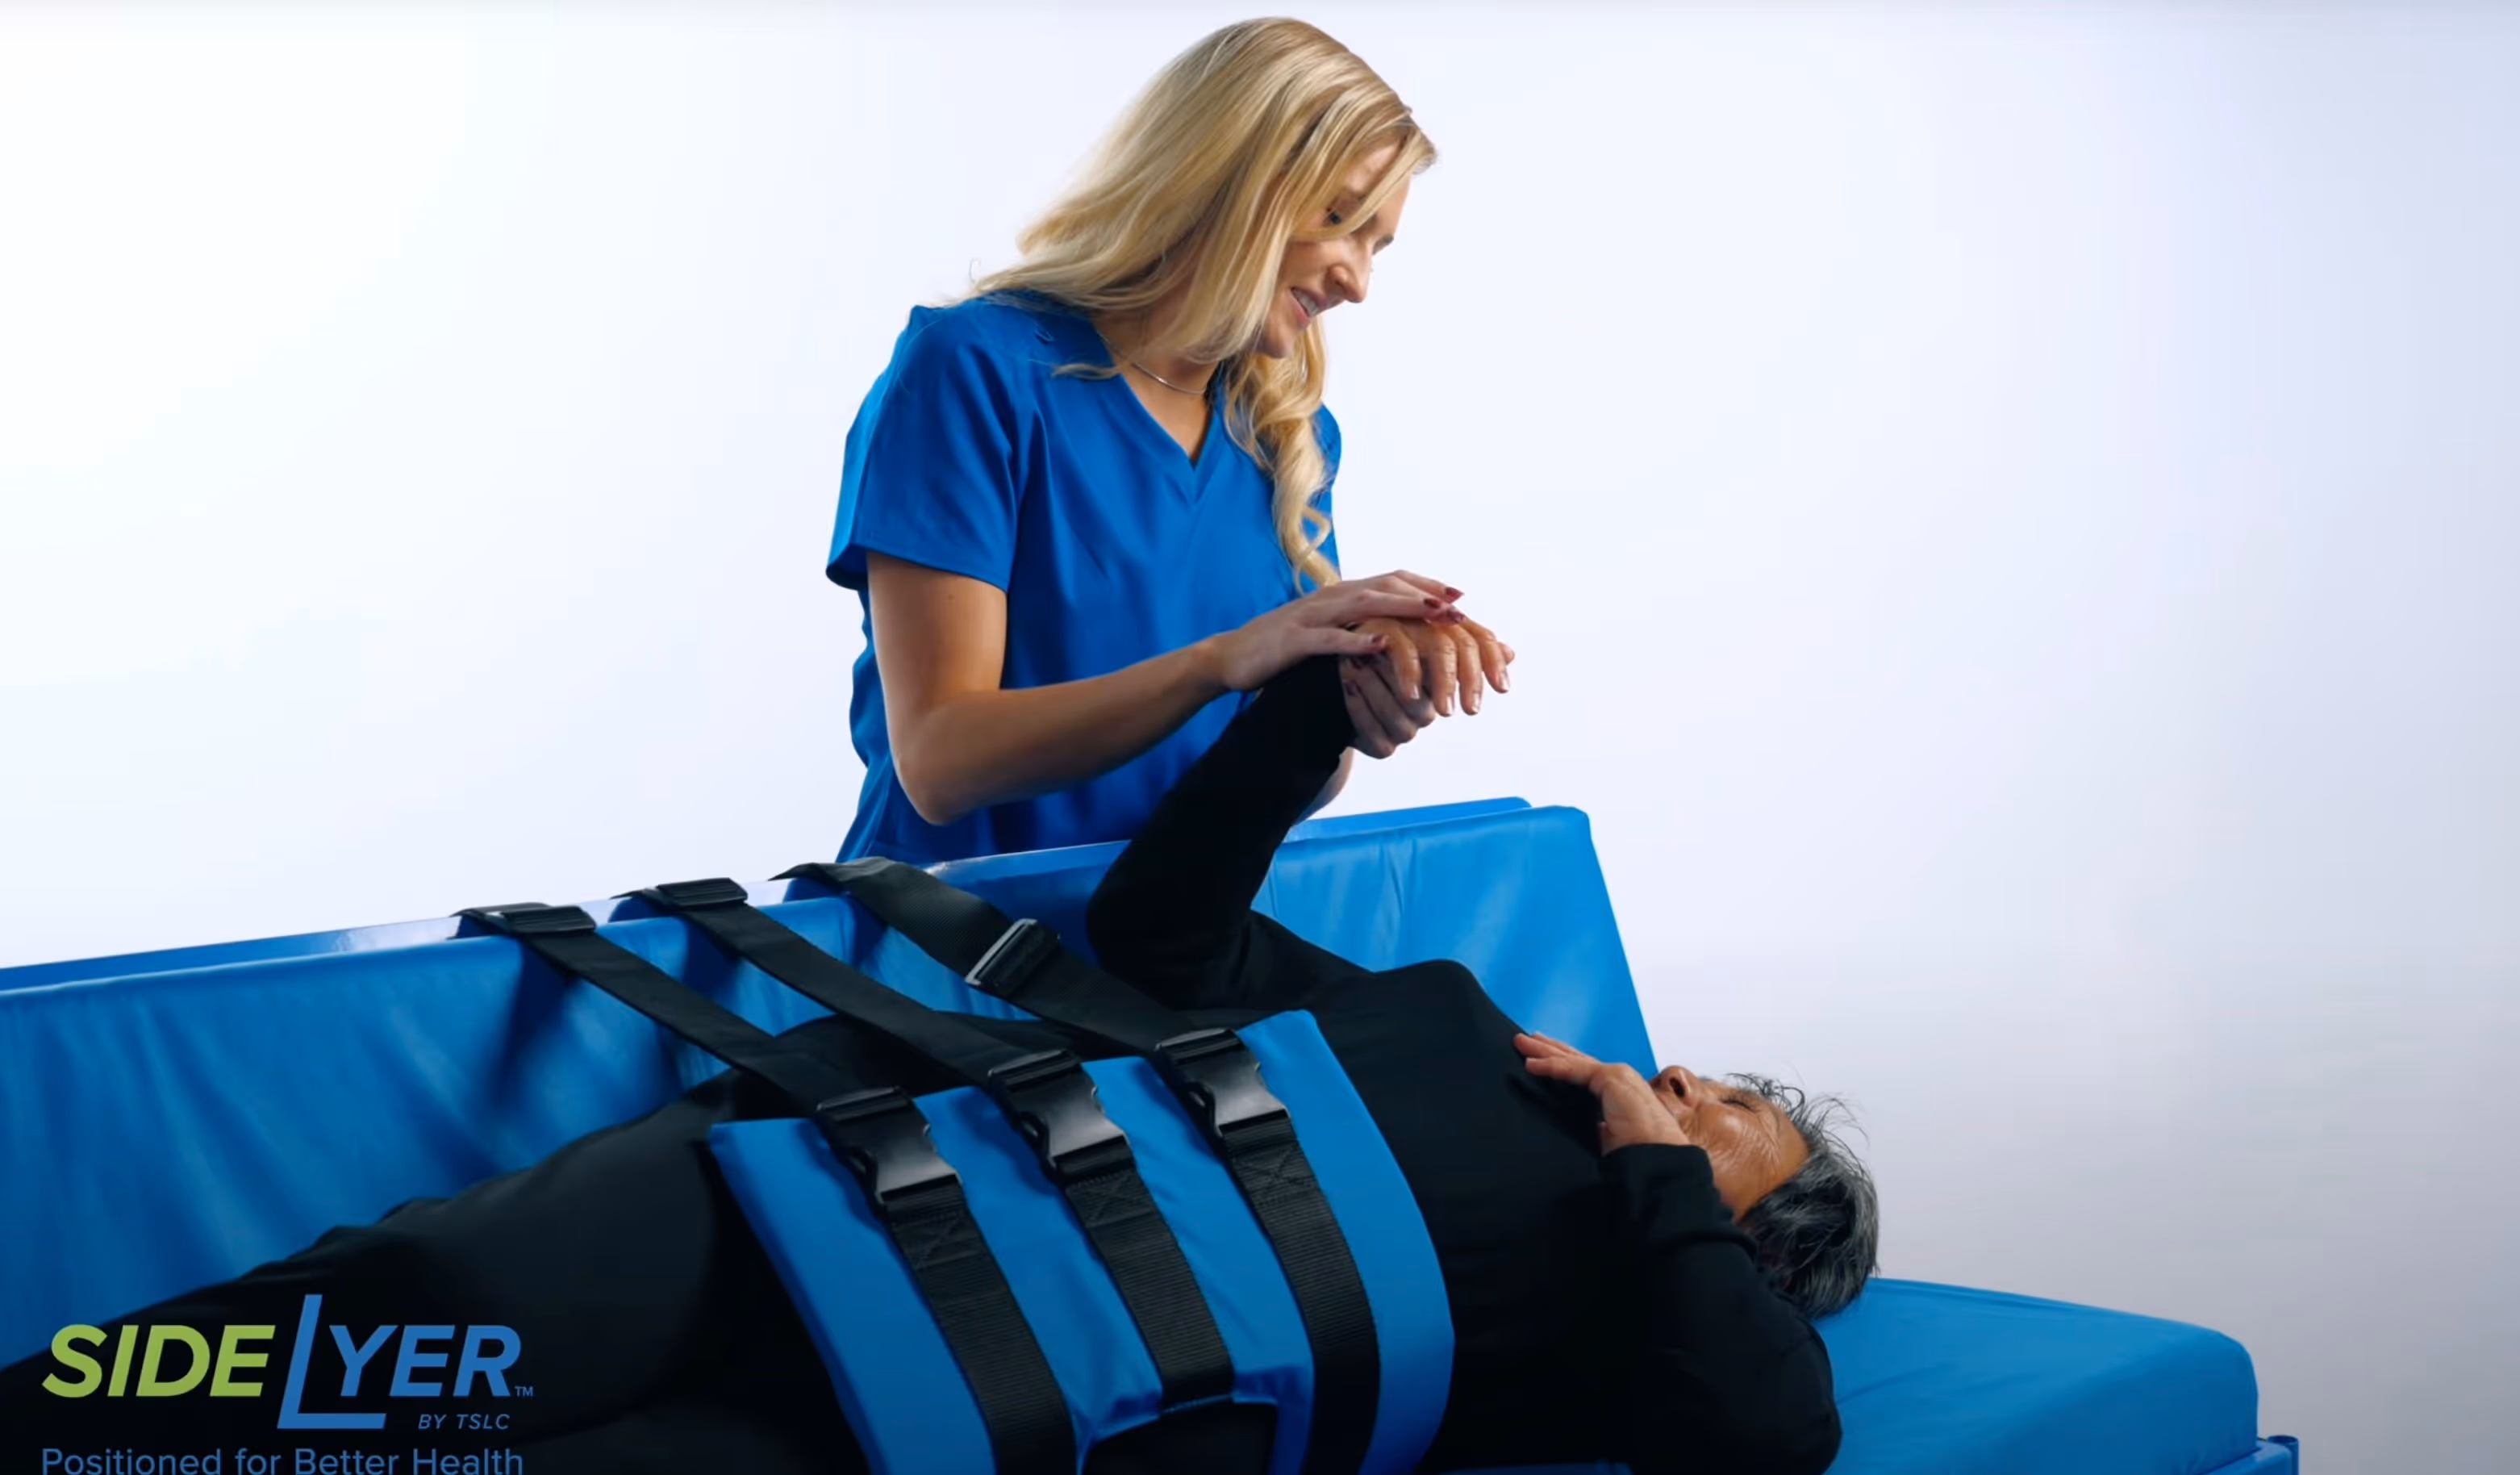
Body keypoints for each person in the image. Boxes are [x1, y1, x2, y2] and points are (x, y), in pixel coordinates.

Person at [0, 652, 1875, 1475]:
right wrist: (1303, 719)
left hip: (932, 1422)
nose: (1673, 1081)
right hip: (810, 1191)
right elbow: (1159, 945)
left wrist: (1649, 1178)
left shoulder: (1658, 1317)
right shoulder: (1455, 1020)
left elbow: (1770, 1439)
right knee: (388, 1321)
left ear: (1751, 1238)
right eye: (1701, 1074)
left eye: (1724, 1123)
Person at [826, 17, 1512, 865]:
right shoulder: (975, 370)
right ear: (1221, 177)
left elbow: (1275, 773)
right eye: (1337, 218)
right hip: (955, 953)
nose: (1356, 282)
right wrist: (1221, 662)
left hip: (1165, 948)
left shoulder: (1287, 435)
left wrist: (1344, 707)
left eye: (1377, 247)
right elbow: (939, 758)